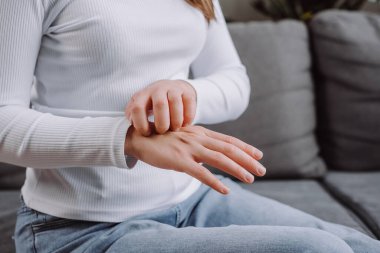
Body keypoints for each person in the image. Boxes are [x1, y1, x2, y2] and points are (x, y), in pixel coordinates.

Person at [0, 0, 379, 252]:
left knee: (360, 246)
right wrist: (127, 139)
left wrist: (186, 91)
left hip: (192, 199)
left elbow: (234, 80)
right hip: (83, 228)